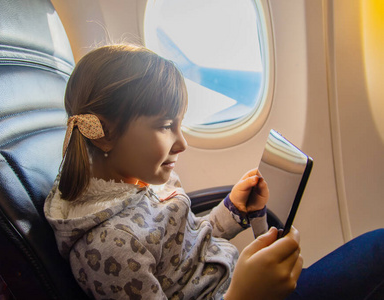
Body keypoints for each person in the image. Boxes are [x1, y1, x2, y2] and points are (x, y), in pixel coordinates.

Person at [44, 44, 383, 300]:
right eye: (165, 126)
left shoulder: (135, 180)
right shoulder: (108, 250)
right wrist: (245, 293)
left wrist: (231, 212)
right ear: (105, 135)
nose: (182, 143)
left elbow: (181, 253)